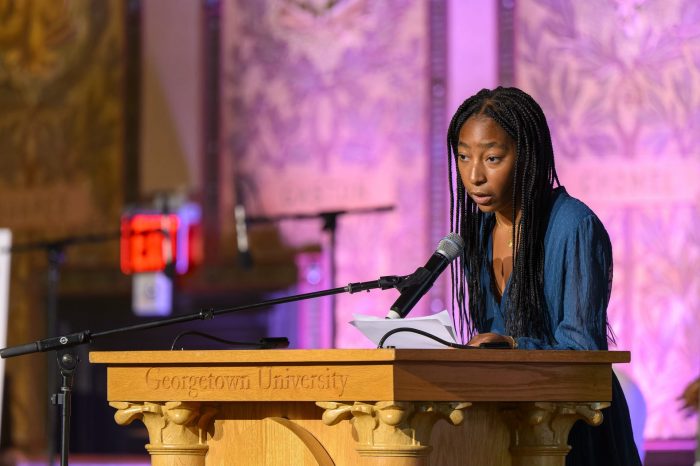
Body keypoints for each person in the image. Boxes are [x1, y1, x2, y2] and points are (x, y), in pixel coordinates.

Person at [446, 86, 642, 466]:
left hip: (575, 426)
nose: (474, 175)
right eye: (463, 157)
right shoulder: (478, 234)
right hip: (509, 423)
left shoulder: (573, 226)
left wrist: (513, 345)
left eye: (492, 158)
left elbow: (583, 352)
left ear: (528, 156)